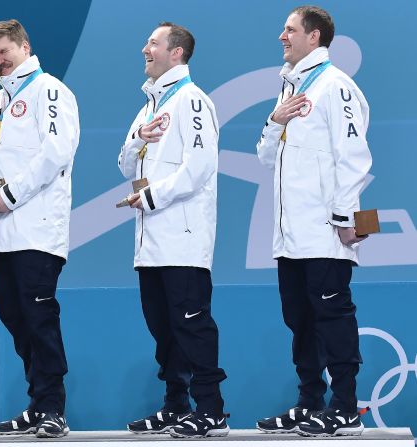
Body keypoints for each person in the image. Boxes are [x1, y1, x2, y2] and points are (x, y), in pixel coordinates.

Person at [0, 19, 79, 438]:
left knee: (38, 317)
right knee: (14, 317)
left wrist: (12, 193)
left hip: (36, 227)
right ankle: (37, 402)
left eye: (3, 51)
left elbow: (57, 151)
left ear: (25, 46)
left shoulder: (50, 91)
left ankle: (53, 409)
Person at [255, 6, 372, 437]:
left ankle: (344, 407)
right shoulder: (287, 90)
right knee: (299, 320)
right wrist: (274, 119)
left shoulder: (336, 86)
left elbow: (355, 158)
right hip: (290, 236)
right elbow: (266, 158)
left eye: (290, 30)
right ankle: (310, 403)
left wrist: (347, 220)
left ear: (315, 36)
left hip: (327, 232)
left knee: (332, 316)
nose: (282, 37)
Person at [118, 22, 228, 439]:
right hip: (150, 243)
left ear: (177, 53)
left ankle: (212, 409)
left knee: (192, 327)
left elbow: (199, 169)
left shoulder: (193, 101)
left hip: (183, 238)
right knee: (163, 330)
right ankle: (176, 405)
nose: (144, 48)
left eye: (153, 42)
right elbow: (126, 166)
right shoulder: (148, 106)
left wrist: (150, 197)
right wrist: (136, 141)